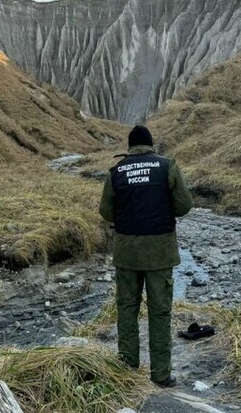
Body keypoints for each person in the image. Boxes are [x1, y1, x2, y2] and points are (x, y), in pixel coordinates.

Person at [99, 125, 192, 387]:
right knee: (160, 312)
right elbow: (184, 205)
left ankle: (128, 368)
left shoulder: (116, 172)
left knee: (127, 310)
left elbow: (105, 210)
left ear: (129, 147)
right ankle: (161, 375)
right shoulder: (167, 167)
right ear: (151, 145)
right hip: (160, 254)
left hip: (127, 253)